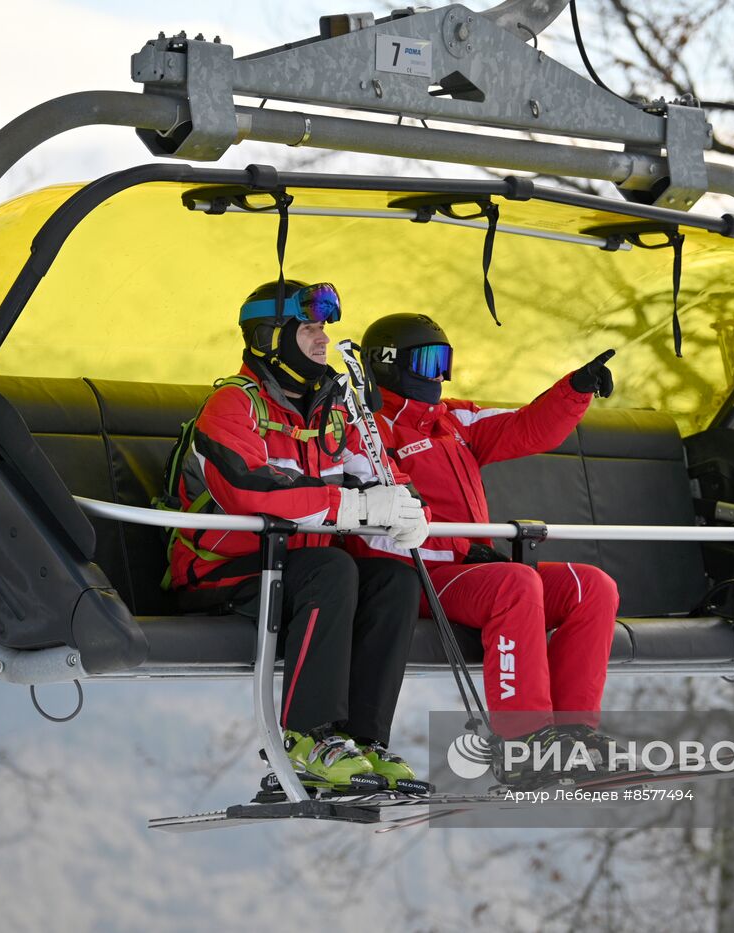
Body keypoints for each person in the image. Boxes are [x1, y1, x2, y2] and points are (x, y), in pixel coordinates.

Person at [168, 280, 431, 792]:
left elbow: (377, 470)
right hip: (222, 574)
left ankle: (360, 740)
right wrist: (351, 506)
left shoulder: (334, 411)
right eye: (308, 328)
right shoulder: (232, 406)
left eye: (324, 329)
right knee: (333, 570)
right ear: (271, 337)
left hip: (298, 571)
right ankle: (304, 738)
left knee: (393, 580)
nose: (322, 339)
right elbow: (251, 490)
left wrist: (405, 505)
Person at [360, 313, 621, 779]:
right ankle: (522, 742)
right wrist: (462, 547)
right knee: (514, 584)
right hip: (414, 574)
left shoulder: (452, 420)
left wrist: (574, 390)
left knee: (591, 586)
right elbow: (377, 522)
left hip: (471, 570)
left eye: (445, 361)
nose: (438, 375)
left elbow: (525, 428)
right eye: (426, 361)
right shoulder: (368, 428)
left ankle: (573, 733)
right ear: (389, 364)